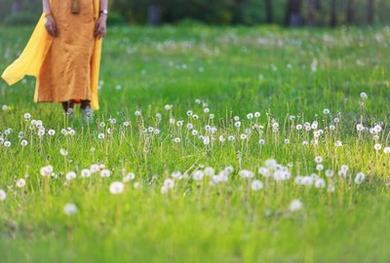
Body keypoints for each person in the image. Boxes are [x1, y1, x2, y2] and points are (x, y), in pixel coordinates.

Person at [1, 0, 108, 120]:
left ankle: (86, 110)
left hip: (87, 14)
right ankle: (69, 114)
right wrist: (47, 14)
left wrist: (103, 15)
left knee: (82, 61)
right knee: (61, 61)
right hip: (59, 14)